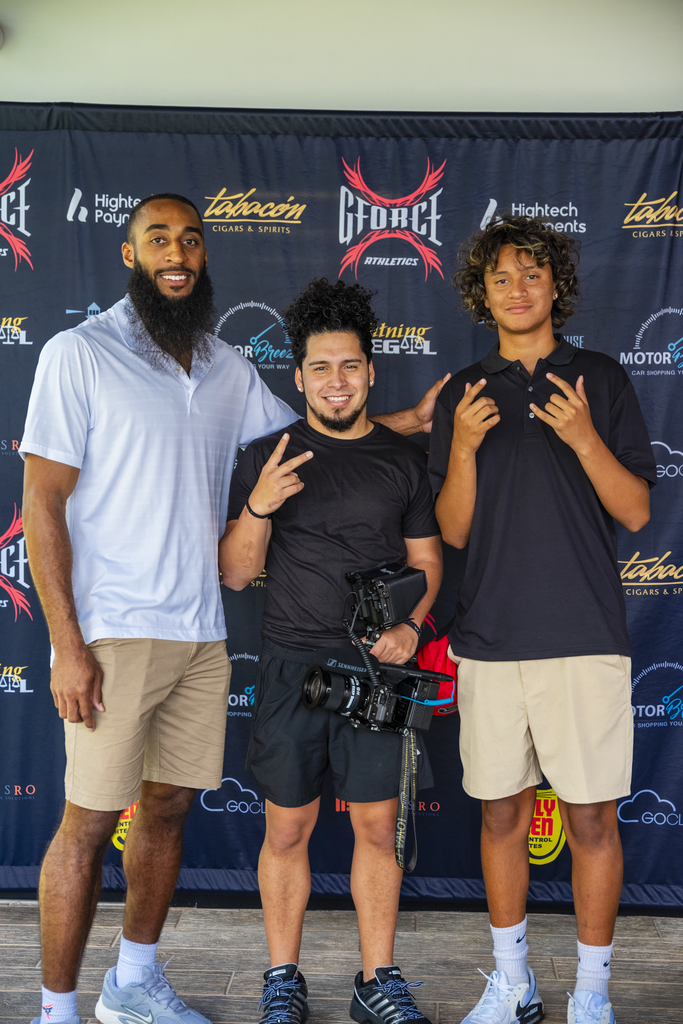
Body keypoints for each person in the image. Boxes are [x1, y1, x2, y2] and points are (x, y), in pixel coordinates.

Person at [19, 194, 448, 1024]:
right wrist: (66, 643)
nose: (175, 254)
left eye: (189, 240)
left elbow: (320, 443)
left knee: (168, 808)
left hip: (202, 634)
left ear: (204, 255)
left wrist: (402, 424)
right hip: (114, 632)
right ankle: (55, 1010)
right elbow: (41, 501)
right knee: (87, 823)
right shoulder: (80, 352)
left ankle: (132, 984)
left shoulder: (225, 366)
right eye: (157, 239)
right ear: (129, 254)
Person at [428, 215, 656, 1024]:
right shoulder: (461, 391)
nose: (517, 289)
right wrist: (460, 446)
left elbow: (635, 511)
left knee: (591, 817)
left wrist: (584, 437)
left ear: (555, 284)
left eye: (531, 273)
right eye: (500, 277)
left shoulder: (599, 377)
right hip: (490, 639)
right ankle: (511, 982)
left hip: (582, 636)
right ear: (480, 293)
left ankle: (591, 993)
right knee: (500, 813)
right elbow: (452, 532)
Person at [219, 278, 443, 1024]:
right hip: (290, 666)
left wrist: (413, 629)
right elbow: (236, 573)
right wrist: (259, 505)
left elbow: (427, 561)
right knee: (287, 829)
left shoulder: (403, 461)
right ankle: (282, 977)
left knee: (377, 827)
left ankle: (377, 979)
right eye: (320, 367)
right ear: (299, 375)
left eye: (349, 365)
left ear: (371, 372)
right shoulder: (266, 457)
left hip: (378, 671)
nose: (336, 381)